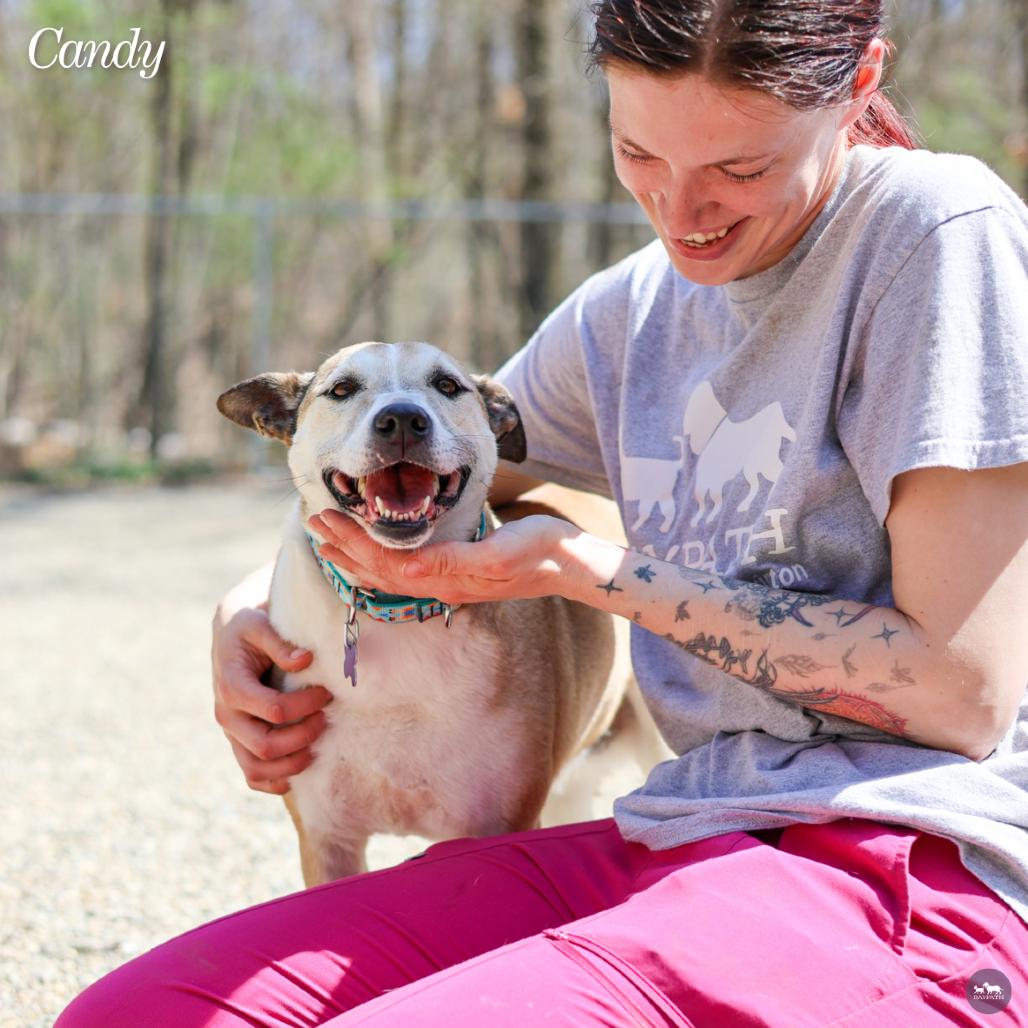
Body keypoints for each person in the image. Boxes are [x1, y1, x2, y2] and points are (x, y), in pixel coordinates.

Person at [60, 1, 1028, 1024]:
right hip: (679, 833)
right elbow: (435, 478)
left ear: (857, 87)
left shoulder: (932, 231)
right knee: (141, 1012)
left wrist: (580, 571)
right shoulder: (629, 315)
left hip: (907, 860)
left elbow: (955, 691)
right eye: (636, 149)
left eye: (739, 168)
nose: (681, 208)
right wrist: (248, 608)